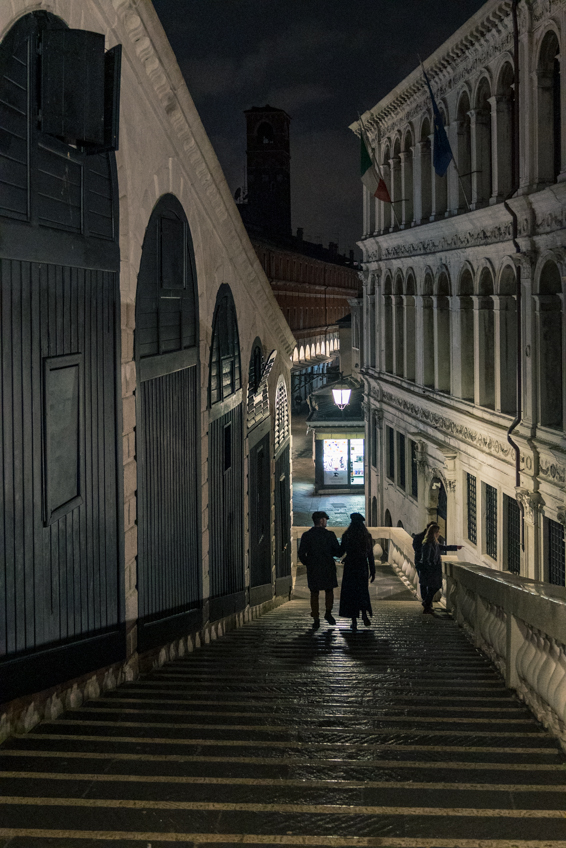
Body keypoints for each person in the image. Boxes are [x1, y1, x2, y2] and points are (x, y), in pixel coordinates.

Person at [298, 511, 341, 629]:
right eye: (325, 519)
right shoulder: (330, 535)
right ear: (322, 521)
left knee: (314, 592)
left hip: (314, 568)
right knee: (329, 591)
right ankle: (328, 613)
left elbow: (301, 553)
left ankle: (316, 617)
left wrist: (308, 563)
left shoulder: (307, 535)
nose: (326, 521)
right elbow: (337, 552)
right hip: (328, 567)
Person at [339, 512, 375, 631]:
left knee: (351, 593)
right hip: (362, 566)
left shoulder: (347, 535)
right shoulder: (366, 536)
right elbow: (370, 555)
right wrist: (373, 571)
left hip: (350, 567)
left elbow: (340, 551)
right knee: (362, 591)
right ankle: (364, 614)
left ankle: (353, 621)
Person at [420, 523, 462, 614]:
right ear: (434, 533)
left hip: (435, 569)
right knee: (435, 586)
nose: (439, 534)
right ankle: (426, 603)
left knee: (434, 586)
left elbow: (443, 548)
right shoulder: (427, 544)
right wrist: (430, 568)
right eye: (437, 532)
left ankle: (426, 604)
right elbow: (426, 559)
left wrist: (456, 547)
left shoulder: (434, 543)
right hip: (432, 569)